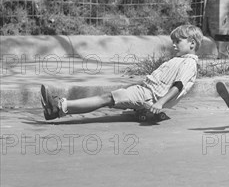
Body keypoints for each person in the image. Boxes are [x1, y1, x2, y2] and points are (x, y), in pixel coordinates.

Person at [40, 24, 203, 120]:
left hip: (148, 95)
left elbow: (178, 86)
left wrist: (160, 103)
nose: (174, 45)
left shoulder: (189, 63)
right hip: (147, 93)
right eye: (173, 41)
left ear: (192, 44)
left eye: (178, 41)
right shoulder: (181, 60)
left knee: (106, 98)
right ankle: (57, 110)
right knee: (110, 99)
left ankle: (59, 107)